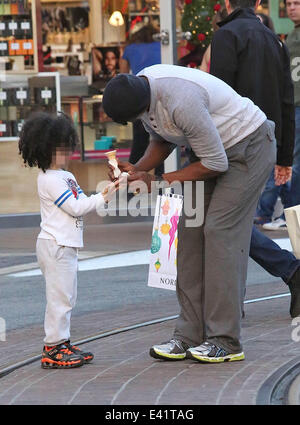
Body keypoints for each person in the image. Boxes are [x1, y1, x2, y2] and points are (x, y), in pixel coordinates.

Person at [102, 65, 276, 363]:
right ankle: (188, 335)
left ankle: (225, 340)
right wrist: (140, 170)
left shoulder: (182, 100)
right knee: (190, 231)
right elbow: (162, 138)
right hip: (209, 151)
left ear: (141, 104)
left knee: (220, 232)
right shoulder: (141, 90)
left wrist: (156, 182)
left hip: (248, 148)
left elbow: (217, 163)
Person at [210, 0, 300, 318]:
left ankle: (289, 271)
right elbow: (288, 102)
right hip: (267, 142)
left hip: (234, 145)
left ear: (225, 3)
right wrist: (285, 157)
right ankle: (240, 298)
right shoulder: (275, 42)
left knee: (225, 223)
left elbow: (217, 98)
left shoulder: (226, 36)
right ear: (259, 3)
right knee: (234, 221)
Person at [18, 112, 117, 369]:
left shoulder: (66, 176)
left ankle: (62, 343)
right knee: (59, 297)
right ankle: (53, 347)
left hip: (65, 244)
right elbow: (76, 207)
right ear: (45, 149)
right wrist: (103, 197)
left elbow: (82, 201)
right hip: (56, 245)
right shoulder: (49, 179)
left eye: (66, 146)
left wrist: (107, 190)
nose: (67, 152)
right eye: (60, 148)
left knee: (66, 296)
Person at [119, 24, 163, 176]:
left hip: (138, 95)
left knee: (139, 141)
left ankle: (130, 178)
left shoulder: (130, 49)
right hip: (160, 94)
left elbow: (122, 76)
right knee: (163, 140)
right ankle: (160, 179)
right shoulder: (163, 44)